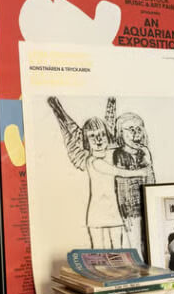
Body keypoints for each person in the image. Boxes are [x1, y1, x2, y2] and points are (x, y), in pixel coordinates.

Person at [47, 97, 152, 248]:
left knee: (118, 247)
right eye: (92, 136)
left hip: (114, 210)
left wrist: (111, 104)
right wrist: (141, 172)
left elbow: (110, 123)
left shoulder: (111, 152)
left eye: (101, 135)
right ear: (86, 141)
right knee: (98, 249)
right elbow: (117, 171)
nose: (98, 140)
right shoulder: (92, 161)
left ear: (107, 136)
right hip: (97, 212)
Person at [112, 112, 154, 246]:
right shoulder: (119, 154)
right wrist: (125, 212)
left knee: (146, 242)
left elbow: (151, 180)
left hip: (146, 204)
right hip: (130, 208)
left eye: (139, 129)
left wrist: (149, 161)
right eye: (131, 129)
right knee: (133, 240)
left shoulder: (144, 152)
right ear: (120, 133)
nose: (136, 133)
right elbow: (121, 186)